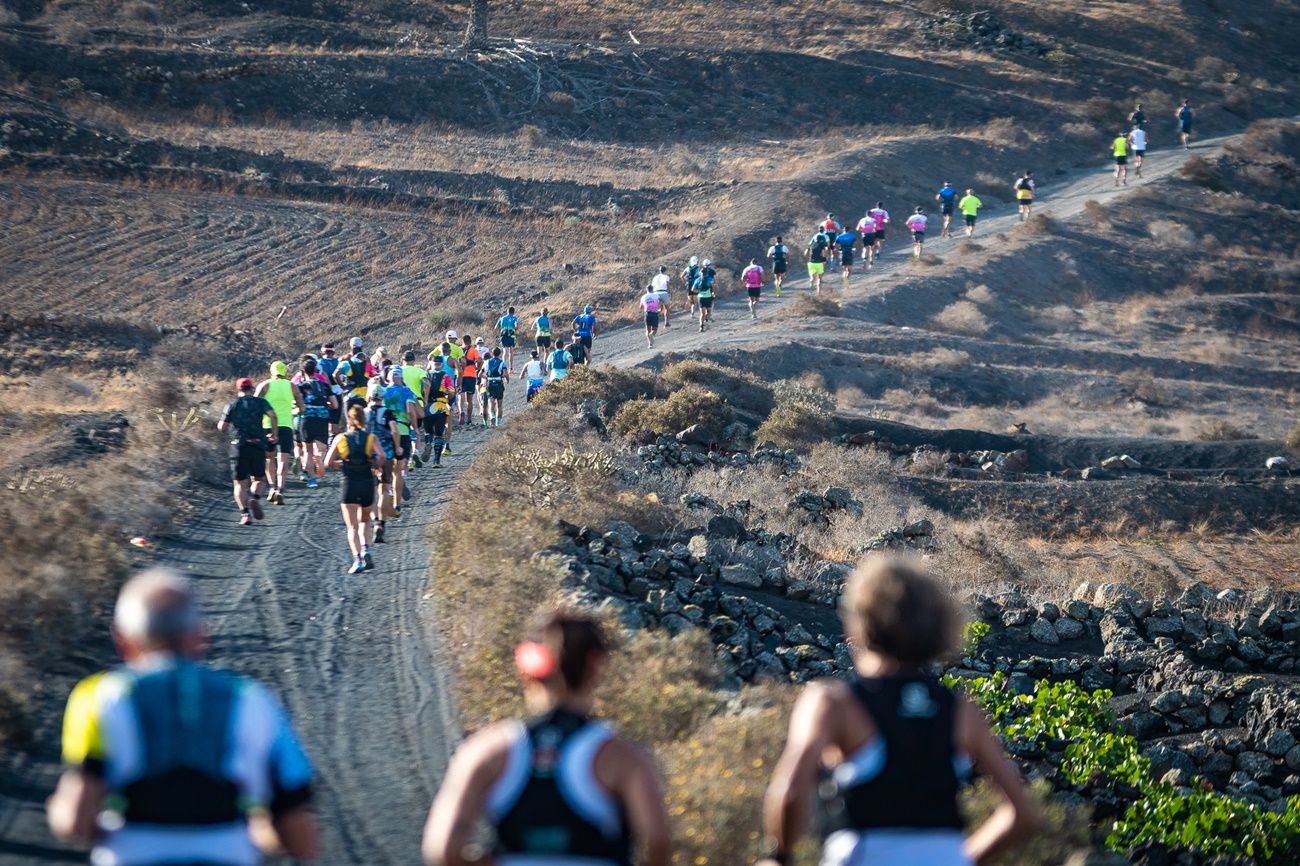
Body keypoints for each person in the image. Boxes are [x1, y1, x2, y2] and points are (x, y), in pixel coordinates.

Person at [759, 557, 1041, 866]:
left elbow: (789, 792)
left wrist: (780, 856)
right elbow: (1023, 814)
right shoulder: (962, 711)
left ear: (861, 621)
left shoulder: (834, 702)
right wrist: (960, 859)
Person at [48, 568, 319, 864]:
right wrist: (252, 829)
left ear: (123, 641)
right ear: (200, 636)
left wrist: (64, 811)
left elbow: (76, 822)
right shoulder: (254, 700)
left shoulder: (98, 697)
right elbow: (300, 840)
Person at [421, 606, 671, 866]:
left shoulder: (486, 750)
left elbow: (443, 849)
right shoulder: (622, 757)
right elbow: (657, 839)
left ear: (526, 668)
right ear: (597, 666)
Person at [326, 404, 386, 573]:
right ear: (363, 419)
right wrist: (376, 466)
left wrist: (340, 464)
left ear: (349, 420)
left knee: (351, 526)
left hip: (349, 483)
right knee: (365, 521)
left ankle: (357, 560)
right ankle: (366, 548)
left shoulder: (341, 438)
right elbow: (382, 456)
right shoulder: (371, 437)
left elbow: (327, 463)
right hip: (367, 481)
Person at [217, 377, 274, 526]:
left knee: (240, 484)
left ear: (238, 389)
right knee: (259, 479)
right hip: (257, 444)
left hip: (238, 445)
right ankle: (255, 497)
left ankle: (245, 514)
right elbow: (273, 415)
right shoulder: (261, 402)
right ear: (252, 389)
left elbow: (222, 427)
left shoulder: (232, 405)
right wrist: (274, 434)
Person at [256, 361, 304, 506]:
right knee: (283, 459)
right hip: (286, 425)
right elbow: (302, 408)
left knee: (269, 458)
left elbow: (255, 404)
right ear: (285, 372)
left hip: (267, 425)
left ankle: (271, 487)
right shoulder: (292, 386)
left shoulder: (264, 385)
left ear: (271, 371)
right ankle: (280, 490)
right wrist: (292, 412)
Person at [364, 383, 401, 540]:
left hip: (367, 455)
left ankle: (374, 520)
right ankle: (381, 524)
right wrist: (398, 447)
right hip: (385, 454)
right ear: (382, 398)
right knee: (384, 490)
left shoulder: (362, 413)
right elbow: (394, 430)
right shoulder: (388, 413)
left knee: (370, 491)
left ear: (369, 397)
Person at [292, 355, 336, 489]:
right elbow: (335, 405)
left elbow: (295, 404)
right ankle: (320, 461)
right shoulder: (324, 385)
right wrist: (325, 405)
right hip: (322, 419)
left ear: (303, 371)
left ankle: (312, 480)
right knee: (322, 449)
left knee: (307, 451)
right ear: (316, 370)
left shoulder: (300, 386)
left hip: (306, 419)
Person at [384, 366, 420, 505]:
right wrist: (415, 428)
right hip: (403, 430)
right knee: (402, 462)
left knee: (390, 461)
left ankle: (391, 489)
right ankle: (401, 480)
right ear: (401, 379)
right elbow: (411, 411)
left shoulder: (383, 391)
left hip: (386, 431)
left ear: (388, 378)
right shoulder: (406, 392)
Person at [421, 355, 455, 467]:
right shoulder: (446, 377)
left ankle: (428, 443)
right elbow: (451, 392)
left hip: (427, 407)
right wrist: (449, 398)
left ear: (432, 364)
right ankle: (436, 461)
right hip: (440, 407)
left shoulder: (425, 376)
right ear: (442, 365)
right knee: (439, 434)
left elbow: (421, 390)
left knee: (428, 432)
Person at [317, 343, 344, 435]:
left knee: (327, 420)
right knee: (335, 420)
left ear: (322, 352)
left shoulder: (319, 363)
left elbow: (324, 378)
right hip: (338, 391)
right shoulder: (338, 362)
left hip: (326, 393)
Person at [457, 335, 481, 425]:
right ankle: (469, 418)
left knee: (460, 396)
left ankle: (461, 412)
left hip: (460, 375)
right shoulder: (474, 350)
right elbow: (480, 360)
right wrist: (477, 369)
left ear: (462, 342)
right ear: (470, 342)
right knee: (469, 399)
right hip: (471, 376)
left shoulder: (459, 349)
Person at [483, 347, 510, 426]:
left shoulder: (487, 362)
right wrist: (507, 380)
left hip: (490, 383)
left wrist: (487, 377)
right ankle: (498, 423)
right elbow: (505, 374)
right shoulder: (502, 363)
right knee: (499, 405)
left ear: (492, 353)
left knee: (490, 401)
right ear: (500, 354)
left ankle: (492, 416)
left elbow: (480, 374)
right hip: (498, 383)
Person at [695, 260, 717, 331]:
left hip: (700, 296)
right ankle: (707, 319)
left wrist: (699, 292)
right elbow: (714, 284)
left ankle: (701, 326)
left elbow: (693, 289)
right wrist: (714, 292)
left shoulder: (699, 277)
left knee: (702, 313)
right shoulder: (711, 275)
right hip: (708, 295)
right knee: (709, 311)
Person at [807, 229, 828, 293]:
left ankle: (811, 286)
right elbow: (824, 254)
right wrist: (825, 259)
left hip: (811, 263)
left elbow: (806, 253)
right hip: (819, 263)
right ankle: (818, 293)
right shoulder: (821, 245)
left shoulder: (812, 244)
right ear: (821, 240)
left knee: (812, 278)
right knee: (819, 279)